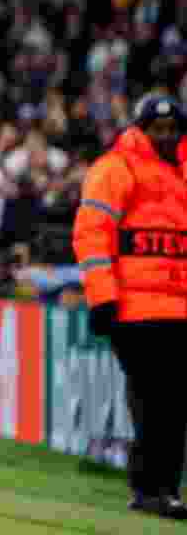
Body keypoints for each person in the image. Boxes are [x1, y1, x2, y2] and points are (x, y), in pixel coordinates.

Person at [76, 93, 187, 520]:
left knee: (172, 404)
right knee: (152, 401)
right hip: (135, 310)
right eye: (158, 129)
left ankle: (165, 490)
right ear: (141, 128)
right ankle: (148, 488)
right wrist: (103, 297)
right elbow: (92, 233)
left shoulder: (180, 174)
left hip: (177, 311)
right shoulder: (114, 169)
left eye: (172, 129)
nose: (166, 135)